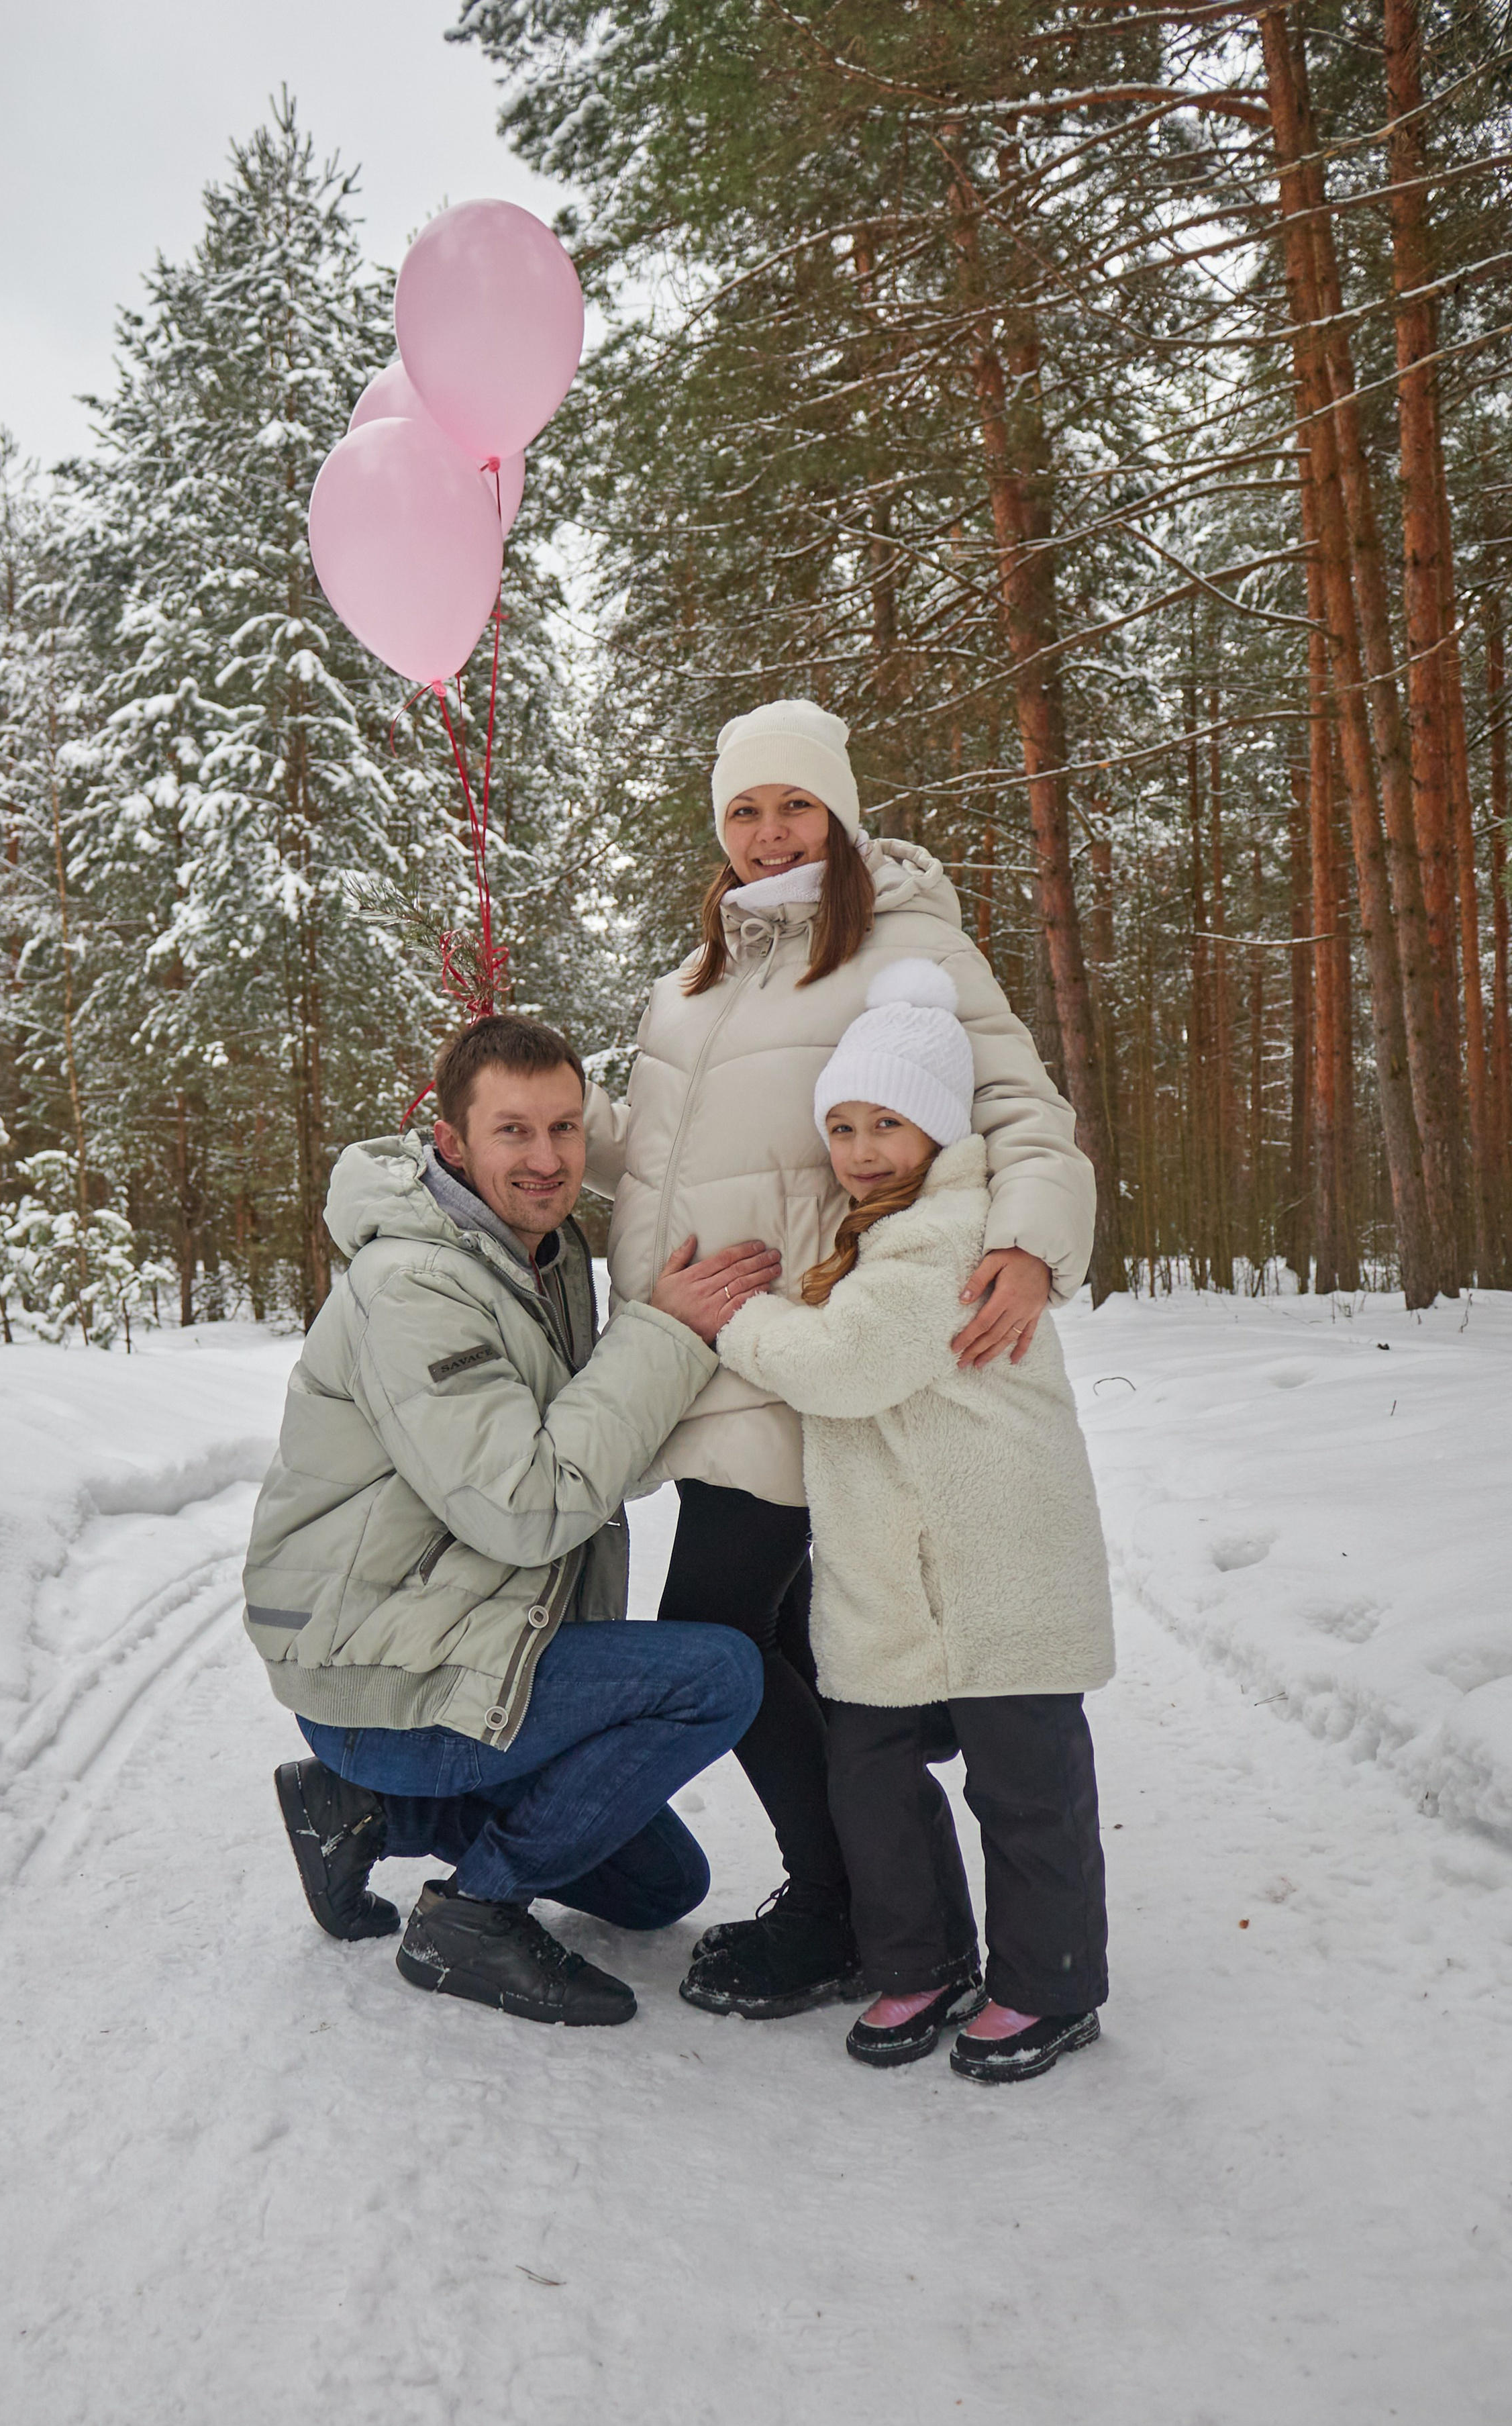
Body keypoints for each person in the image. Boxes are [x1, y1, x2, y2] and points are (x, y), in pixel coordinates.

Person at [583, 698, 1098, 2017]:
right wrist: (540, 1120)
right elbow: (663, 1153)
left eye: (793, 805)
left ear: (840, 814)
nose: (766, 834)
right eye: (742, 810)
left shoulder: (898, 944)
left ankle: (837, 1911)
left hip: (803, 1335)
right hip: (697, 1350)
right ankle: (885, 1914)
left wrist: (1034, 1241)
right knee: (793, 1648)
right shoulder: (691, 981)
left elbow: (1017, 1108)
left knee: (712, 1632)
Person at [242, 1013, 779, 2029]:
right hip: (384, 1676)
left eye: (566, 1129)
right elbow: (526, 1508)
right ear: (450, 1141)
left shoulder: (538, 1254)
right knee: (718, 1677)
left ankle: (363, 1809)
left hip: (457, 1649)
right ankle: (469, 1916)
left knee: (659, 1888)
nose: (546, 1160)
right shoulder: (415, 1285)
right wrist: (664, 1334)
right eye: (513, 1132)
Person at [712, 960, 1115, 2080]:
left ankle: (1053, 1985)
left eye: (887, 1122)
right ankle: (923, 1958)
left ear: (937, 1127)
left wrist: (734, 1321)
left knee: (1024, 1783)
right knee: (870, 1767)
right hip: (898, 1572)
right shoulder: (870, 1230)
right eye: (842, 1125)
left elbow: (843, 1364)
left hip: (1000, 1561)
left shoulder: (952, 1232)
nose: (860, 1147)